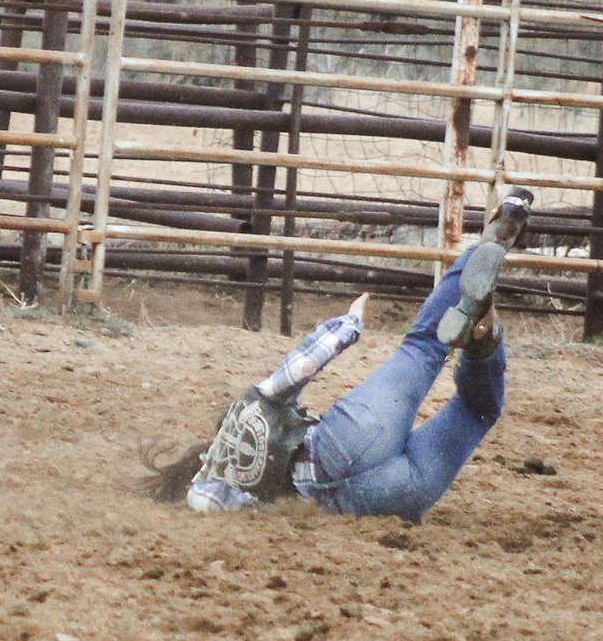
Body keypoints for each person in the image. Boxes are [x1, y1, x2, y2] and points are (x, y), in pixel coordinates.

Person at [150, 188, 533, 522]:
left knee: (477, 411)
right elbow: (299, 367)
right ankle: (490, 242)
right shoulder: (249, 411)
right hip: (343, 443)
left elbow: (205, 500)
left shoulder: (222, 493)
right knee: (423, 346)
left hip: (377, 499)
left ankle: (485, 341)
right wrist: (347, 325)